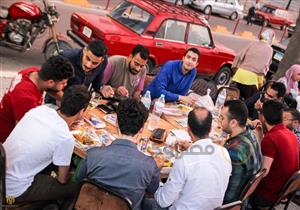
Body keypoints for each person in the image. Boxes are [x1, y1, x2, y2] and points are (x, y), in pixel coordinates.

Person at [4, 85, 91, 208]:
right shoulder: (65, 137)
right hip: (12, 194)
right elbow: (62, 180)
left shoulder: (39, 110)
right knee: (76, 188)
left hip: (3, 174)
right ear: (82, 111)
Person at [76, 99, 160, 210]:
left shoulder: (93, 154)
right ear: (142, 128)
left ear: (115, 121)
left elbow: (78, 178)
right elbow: (152, 191)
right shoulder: (149, 165)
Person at [154, 107, 232, 210]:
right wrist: (192, 147)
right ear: (210, 129)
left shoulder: (184, 160)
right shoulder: (224, 153)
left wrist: (157, 175)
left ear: (188, 129)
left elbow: (162, 201)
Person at [0, 55, 74, 143]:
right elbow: (24, 133)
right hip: (7, 139)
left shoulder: (33, 72)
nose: (65, 85)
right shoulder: (26, 98)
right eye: (63, 83)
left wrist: (71, 103)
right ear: (50, 82)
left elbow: (53, 90)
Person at [250, 100, 299, 209]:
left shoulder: (271, 138)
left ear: (263, 117)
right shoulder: (291, 135)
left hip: (266, 196)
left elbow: (263, 172)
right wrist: (261, 136)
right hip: (283, 192)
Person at [219, 100, 262, 204]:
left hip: (230, 204)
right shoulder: (251, 134)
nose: (218, 120)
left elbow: (228, 197)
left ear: (233, 122)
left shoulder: (233, 152)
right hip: (245, 198)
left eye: (222, 118)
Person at [45, 39, 112, 104]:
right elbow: (49, 85)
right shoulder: (66, 58)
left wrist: (102, 88)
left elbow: (97, 84)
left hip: (77, 104)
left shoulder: (104, 63)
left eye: (94, 63)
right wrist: (64, 101)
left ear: (102, 60)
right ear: (84, 50)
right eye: (87, 58)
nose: (88, 65)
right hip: (55, 102)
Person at [231, 29, 275, 100]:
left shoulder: (253, 43)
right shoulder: (269, 49)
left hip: (238, 75)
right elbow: (264, 67)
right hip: (251, 80)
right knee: (247, 104)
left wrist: (235, 69)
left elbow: (239, 56)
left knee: (230, 99)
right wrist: (261, 81)